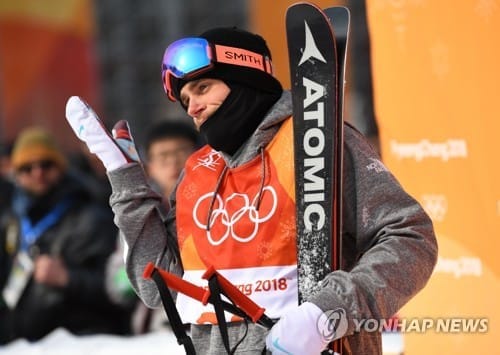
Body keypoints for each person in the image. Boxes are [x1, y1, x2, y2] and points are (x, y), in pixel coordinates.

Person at [65, 27, 438, 355]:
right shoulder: (197, 172)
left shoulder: (314, 143)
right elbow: (159, 287)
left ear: (244, 76)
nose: (192, 107)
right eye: (184, 100)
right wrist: (125, 180)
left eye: (202, 88)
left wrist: (327, 312)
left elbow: (411, 238)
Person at [0, 127, 128, 344]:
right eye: (27, 168)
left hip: (83, 341)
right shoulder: (11, 221)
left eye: (46, 165)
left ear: (60, 167)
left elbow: (121, 291)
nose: (37, 173)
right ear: (16, 175)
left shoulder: (91, 218)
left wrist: (67, 278)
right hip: (23, 343)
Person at [104, 120, 200, 334]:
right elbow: (115, 285)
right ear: (149, 168)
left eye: (181, 152)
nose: (173, 163)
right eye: (163, 157)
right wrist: (139, 274)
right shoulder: (140, 214)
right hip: (155, 332)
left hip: (204, 325)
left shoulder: (210, 205)